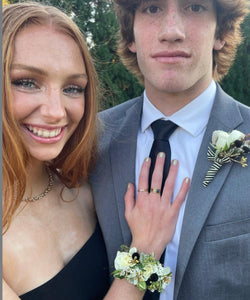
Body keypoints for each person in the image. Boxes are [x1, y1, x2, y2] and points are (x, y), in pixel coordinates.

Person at [2, 2, 190, 300]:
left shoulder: (86, 188)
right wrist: (146, 249)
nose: (55, 112)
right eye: (26, 82)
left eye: (73, 88)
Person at [90, 0, 250, 299]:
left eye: (195, 7)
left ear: (221, 32)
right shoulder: (89, 142)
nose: (172, 31)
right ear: (130, 36)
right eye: (152, 8)